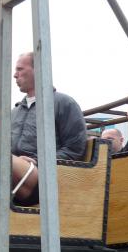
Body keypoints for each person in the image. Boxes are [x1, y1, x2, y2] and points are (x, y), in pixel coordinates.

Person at [10, 52, 86, 205]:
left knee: (0, 160)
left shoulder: (64, 103)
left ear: (38, 69)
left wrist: (36, 162)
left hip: (45, 179)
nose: (15, 75)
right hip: (14, 175)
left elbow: (74, 149)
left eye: (20, 69)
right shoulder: (15, 111)